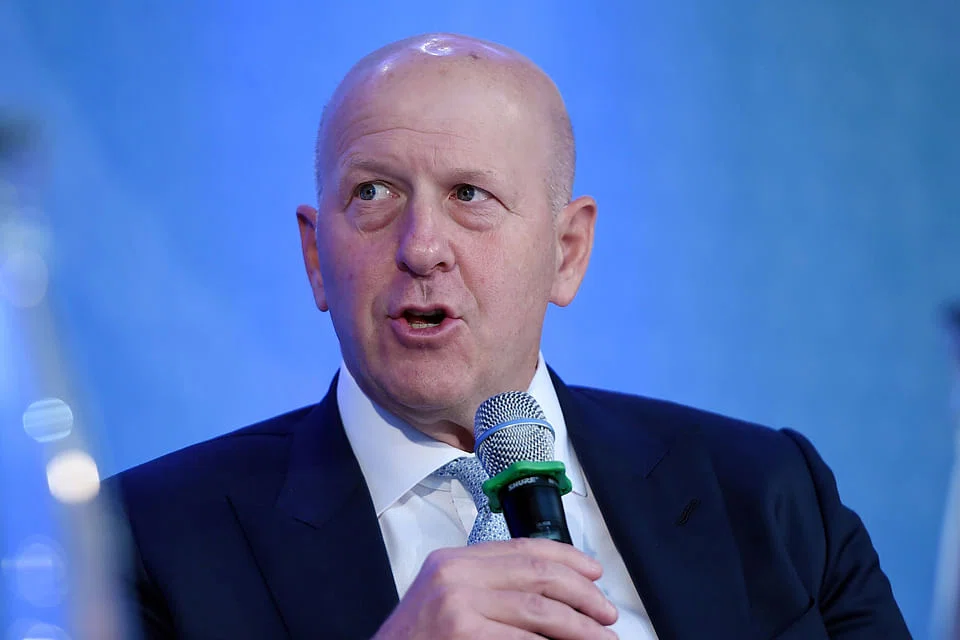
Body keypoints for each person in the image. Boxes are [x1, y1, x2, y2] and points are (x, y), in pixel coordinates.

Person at [109, 33, 911, 639]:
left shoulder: (769, 494)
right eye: (374, 193)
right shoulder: (146, 540)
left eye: (470, 194)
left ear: (568, 252)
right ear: (317, 258)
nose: (422, 247)